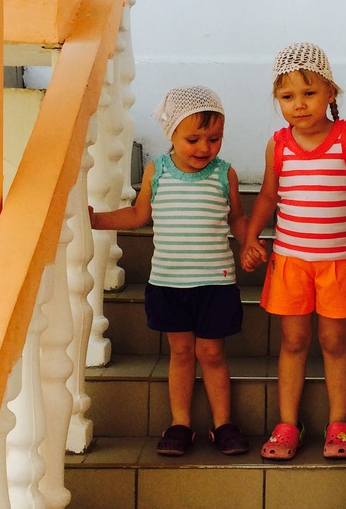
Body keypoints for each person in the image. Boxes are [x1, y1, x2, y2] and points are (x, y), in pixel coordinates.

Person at [89, 85, 250, 457]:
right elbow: (138, 215)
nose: (204, 147)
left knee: (212, 353)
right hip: (169, 283)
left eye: (214, 138)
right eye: (193, 139)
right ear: (171, 134)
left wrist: (250, 244)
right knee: (181, 353)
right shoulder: (157, 170)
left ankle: (223, 424)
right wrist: (97, 220)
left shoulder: (224, 174)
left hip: (215, 283)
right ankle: (180, 424)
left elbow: (238, 219)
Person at [241, 42, 346, 460]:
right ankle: (287, 424)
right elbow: (267, 196)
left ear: (331, 92)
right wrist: (250, 237)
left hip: (339, 262)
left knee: (334, 342)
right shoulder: (278, 144)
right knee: (294, 341)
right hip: (291, 262)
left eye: (309, 93)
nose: (299, 104)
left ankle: (339, 423)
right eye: (287, 96)